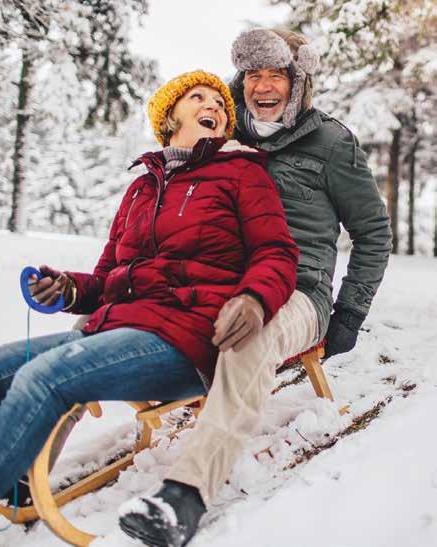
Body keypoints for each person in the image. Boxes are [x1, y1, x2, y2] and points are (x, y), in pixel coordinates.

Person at [0, 70, 299, 546]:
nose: (213, 105)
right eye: (198, 97)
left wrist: (253, 298)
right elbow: (107, 278)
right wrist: (68, 288)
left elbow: (277, 253)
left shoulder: (242, 173)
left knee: (46, 376)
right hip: (120, 327)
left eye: (219, 104)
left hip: (188, 334)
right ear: (170, 117)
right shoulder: (142, 189)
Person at [120, 29, 392, 547]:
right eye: (254, 75)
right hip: (218, 279)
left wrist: (350, 312)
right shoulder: (219, 129)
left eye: (277, 76)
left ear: (298, 82)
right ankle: (26, 450)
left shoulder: (332, 144)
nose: (263, 87)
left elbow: (373, 232)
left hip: (298, 291)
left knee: (251, 333)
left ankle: (186, 493)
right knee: (107, 312)